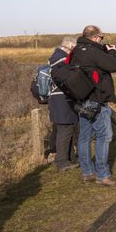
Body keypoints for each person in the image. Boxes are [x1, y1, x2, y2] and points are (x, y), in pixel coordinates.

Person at [70, 25, 116, 186]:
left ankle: (87, 173)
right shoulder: (93, 51)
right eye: (101, 37)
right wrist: (113, 52)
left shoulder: (76, 50)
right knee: (104, 136)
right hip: (96, 99)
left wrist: (106, 53)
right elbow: (114, 66)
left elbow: (96, 65)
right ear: (94, 37)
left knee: (84, 136)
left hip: (81, 99)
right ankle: (103, 175)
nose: (102, 40)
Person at [48, 37, 79, 171]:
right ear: (70, 47)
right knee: (64, 131)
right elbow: (68, 78)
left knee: (69, 129)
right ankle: (62, 162)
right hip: (61, 100)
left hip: (60, 100)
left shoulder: (56, 57)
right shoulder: (60, 59)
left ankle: (70, 158)